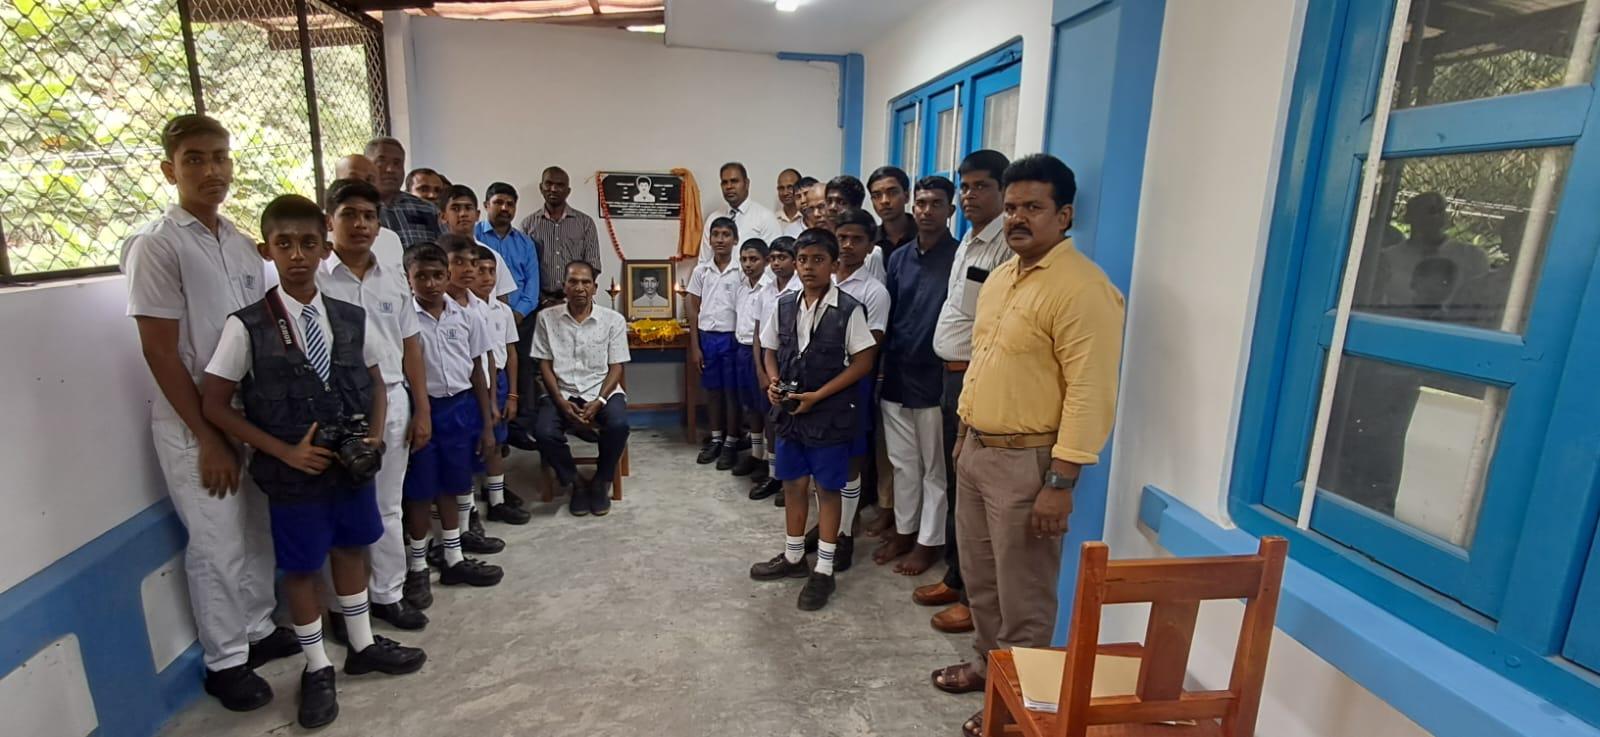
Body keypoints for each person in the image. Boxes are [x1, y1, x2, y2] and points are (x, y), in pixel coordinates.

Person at [201, 195, 426, 729]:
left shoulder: (350, 316)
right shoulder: (249, 325)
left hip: (349, 465)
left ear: (323, 247)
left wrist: (372, 438)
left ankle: (362, 642)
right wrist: (281, 451)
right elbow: (213, 400)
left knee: (352, 548)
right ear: (267, 251)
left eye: (307, 244)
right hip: (291, 471)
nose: (297, 255)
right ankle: (317, 664)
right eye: (284, 245)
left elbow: (376, 379)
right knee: (302, 567)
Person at [934, 156, 1124, 737]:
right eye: (1012, 207)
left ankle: (1024, 706)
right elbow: (981, 364)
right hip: (976, 452)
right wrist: (965, 441)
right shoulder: (1000, 278)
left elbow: (1091, 393)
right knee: (984, 580)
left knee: (1026, 592)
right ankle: (990, 670)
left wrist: (1060, 482)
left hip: (1031, 463)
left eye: (1033, 208)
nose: (1017, 218)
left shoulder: (1084, 290)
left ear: (1064, 215)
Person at [122, 114, 295, 712]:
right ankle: (226, 663)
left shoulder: (240, 244)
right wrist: (210, 437)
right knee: (216, 543)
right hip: (196, 425)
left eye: (220, 157)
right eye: (195, 159)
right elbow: (159, 351)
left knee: (255, 529)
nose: (211, 170)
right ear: (169, 169)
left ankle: (256, 629)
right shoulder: (156, 245)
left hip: (247, 415)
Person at [315, 178, 434, 632]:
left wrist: (422, 410)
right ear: (331, 222)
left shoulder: (393, 279)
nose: (360, 224)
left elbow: (411, 347)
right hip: (338, 410)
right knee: (339, 509)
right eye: (349, 216)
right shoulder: (318, 281)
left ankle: (389, 594)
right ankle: (345, 608)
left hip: (395, 401)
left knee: (388, 506)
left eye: (368, 216)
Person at [749, 228, 880, 611]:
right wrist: (774, 382)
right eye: (803, 259)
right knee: (792, 483)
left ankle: (823, 568)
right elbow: (770, 349)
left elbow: (864, 361)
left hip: (830, 414)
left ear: (834, 265)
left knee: (827, 489)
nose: (809, 267)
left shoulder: (849, 309)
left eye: (818, 260)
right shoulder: (785, 303)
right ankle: (793, 557)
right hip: (790, 413)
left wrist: (819, 396)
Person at [921, 149, 1011, 633]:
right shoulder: (970, 242)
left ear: (1003, 191)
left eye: (981, 186)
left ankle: (975, 599)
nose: (970, 195)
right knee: (956, 485)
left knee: (971, 493)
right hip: (950, 375)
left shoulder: (1004, 248)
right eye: (966, 186)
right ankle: (956, 578)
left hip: (975, 379)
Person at [400, 240, 504, 613]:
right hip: (422, 410)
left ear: (448, 277)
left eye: (437, 275)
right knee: (420, 491)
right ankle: (415, 566)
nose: (430, 284)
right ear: (408, 278)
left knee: (454, 483)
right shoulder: (405, 318)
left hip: (461, 408)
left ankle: (453, 556)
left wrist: (487, 420)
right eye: (421, 276)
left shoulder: (467, 316)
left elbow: (478, 368)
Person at [877, 176, 959, 576]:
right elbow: (890, 315)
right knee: (902, 463)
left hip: (934, 379)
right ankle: (905, 531)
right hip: (896, 373)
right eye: (922, 203)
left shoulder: (960, 259)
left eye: (936, 204)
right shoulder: (899, 258)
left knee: (934, 469)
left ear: (950, 211)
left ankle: (929, 541)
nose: (926, 211)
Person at [531, 260, 632, 517]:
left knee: (619, 425)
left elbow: (616, 367)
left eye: (585, 282)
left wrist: (599, 399)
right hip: (561, 390)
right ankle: (574, 482)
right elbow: (544, 365)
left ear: (595, 288)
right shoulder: (546, 318)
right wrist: (561, 402)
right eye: (573, 282)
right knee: (543, 432)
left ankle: (601, 480)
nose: (579, 287)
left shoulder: (613, 320)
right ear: (564, 287)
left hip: (601, 390)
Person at [438, 237, 508, 556]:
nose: (467, 270)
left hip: (470, 396)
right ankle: (445, 544)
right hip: (439, 399)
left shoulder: (477, 309)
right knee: (442, 477)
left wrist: (490, 403)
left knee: (466, 464)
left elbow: (485, 361)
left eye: (471, 263)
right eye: (459, 263)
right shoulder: (431, 305)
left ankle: (465, 532)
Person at [831, 207, 892, 570]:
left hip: (852, 383)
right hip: (817, 384)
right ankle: (828, 525)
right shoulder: (823, 279)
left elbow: (871, 344)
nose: (848, 245)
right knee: (824, 460)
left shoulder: (874, 291)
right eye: (842, 238)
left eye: (857, 239)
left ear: (870, 246)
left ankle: (846, 532)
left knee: (851, 460)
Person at [470, 247, 532, 526]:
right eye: (479, 270)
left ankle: (496, 501)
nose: (486, 277)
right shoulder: (463, 308)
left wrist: (513, 394)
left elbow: (511, 354)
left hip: (500, 380)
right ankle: (468, 508)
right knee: (471, 444)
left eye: (491, 271)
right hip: (471, 383)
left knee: (496, 442)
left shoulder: (503, 311)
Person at [688, 217, 745, 469]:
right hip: (708, 338)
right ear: (709, 239)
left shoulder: (742, 270)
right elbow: (693, 307)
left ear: (735, 239)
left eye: (726, 234)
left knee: (732, 392)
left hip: (732, 338)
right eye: (716, 234)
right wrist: (695, 345)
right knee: (712, 391)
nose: (720, 239)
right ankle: (716, 438)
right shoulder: (702, 270)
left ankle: (732, 441)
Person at [750, 236, 799, 502]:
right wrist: (760, 370)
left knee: (791, 423)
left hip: (793, 364)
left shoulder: (800, 289)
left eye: (783, 258)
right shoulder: (764, 291)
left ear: (794, 260)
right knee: (771, 420)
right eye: (773, 259)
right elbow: (759, 335)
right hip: (769, 365)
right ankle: (774, 474)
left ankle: (791, 480)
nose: (777, 263)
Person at [520, 166, 603, 304]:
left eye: (560, 185)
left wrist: (570, 296)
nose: (553, 189)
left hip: (577, 301)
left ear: (568, 191)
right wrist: (543, 300)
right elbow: (523, 269)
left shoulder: (585, 223)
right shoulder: (528, 225)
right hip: (539, 302)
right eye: (549, 184)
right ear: (541, 187)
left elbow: (593, 265)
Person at [731, 238, 774, 482]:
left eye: (754, 259)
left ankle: (770, 459)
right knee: (750, 406)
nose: (748, 264)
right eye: (744, 259)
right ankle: (756, 454)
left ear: (766, 261)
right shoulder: (742, 286)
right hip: (742, 350)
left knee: (766, 409)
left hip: (763, 352)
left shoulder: (769, 288)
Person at [437, 184, 517, 305]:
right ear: (443, 216)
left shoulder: (492, 256)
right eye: (456, 208)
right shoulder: (436, 255)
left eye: (468, 208)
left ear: (478, 215)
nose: (463, 214)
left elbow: (502, 299)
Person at [474, 182, 541, 323]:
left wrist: (518, 314)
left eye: (510, 204)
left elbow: (532, 286)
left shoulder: (526, 243)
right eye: (498, 202)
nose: (505, 208)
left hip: (520, 319)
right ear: (486, 205)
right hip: (479, 317)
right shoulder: (474, 236)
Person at [698, 162, 782, 265]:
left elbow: (774, 261)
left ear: (746, 184)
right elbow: (704, 262)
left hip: (754, 280)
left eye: (734, 181)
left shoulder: (765, 217)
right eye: (725, 182)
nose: (729, 187)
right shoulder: (713, 219)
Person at [331, 154, 404, 270]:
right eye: (354, 178)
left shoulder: (391, 239)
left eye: (369, 180)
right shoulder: (316, 237)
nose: (362, 184)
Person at [365, 138, 442, 247]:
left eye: (397, 163)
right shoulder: (355, 210)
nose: (390, 169)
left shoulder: (427, 210)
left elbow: (445, 252)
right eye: (381, 162)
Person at [826, 175, 886, 283]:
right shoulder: (822, 245)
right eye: (829, 201)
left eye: (841, 202)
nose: (832, 208)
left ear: (856, 207)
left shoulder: (872, 254)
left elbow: (877, 290)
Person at [868, 166, 917, 260]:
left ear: (906, 196)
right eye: (877, 195)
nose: (884, 201)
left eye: (892, 193)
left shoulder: (924, 237)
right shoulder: (869, 241)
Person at [775, 168, 806, 237]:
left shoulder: (807, 217)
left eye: (790, 187)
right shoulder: (772, 220)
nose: (785, 193)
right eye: (781, 188)